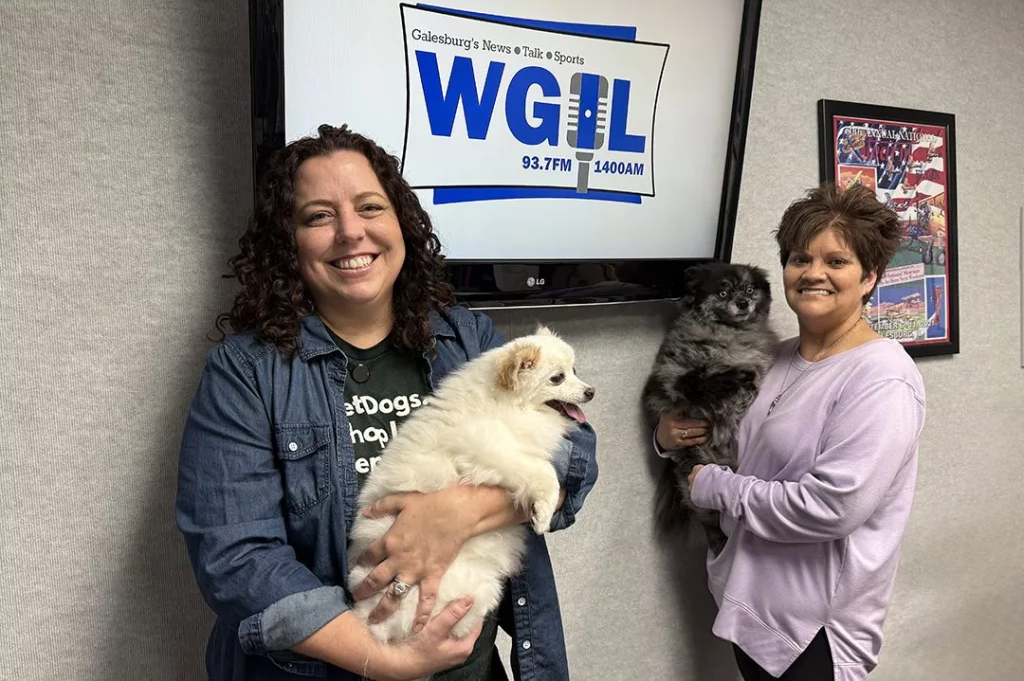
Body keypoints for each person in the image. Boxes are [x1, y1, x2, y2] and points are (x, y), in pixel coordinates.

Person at [176, 124, 599, 681]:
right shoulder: (246, 372)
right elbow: (237, 559)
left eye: (370, 207)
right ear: (288, 241)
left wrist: (458, 513)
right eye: (318, 216)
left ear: (401, 221)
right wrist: (386, 661)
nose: (351, 233)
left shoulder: (467, 339)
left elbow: (576, 455)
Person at [654, 184, 926, 680]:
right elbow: (735, 448)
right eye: (800, 258)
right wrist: (669, 438)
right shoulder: (775, 358)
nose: (813, 273)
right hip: (748, 606)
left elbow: (830, 509)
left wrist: (710, 485)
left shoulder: (882, 377)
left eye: (836, 261)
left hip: (814, 632)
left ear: (870, 277)